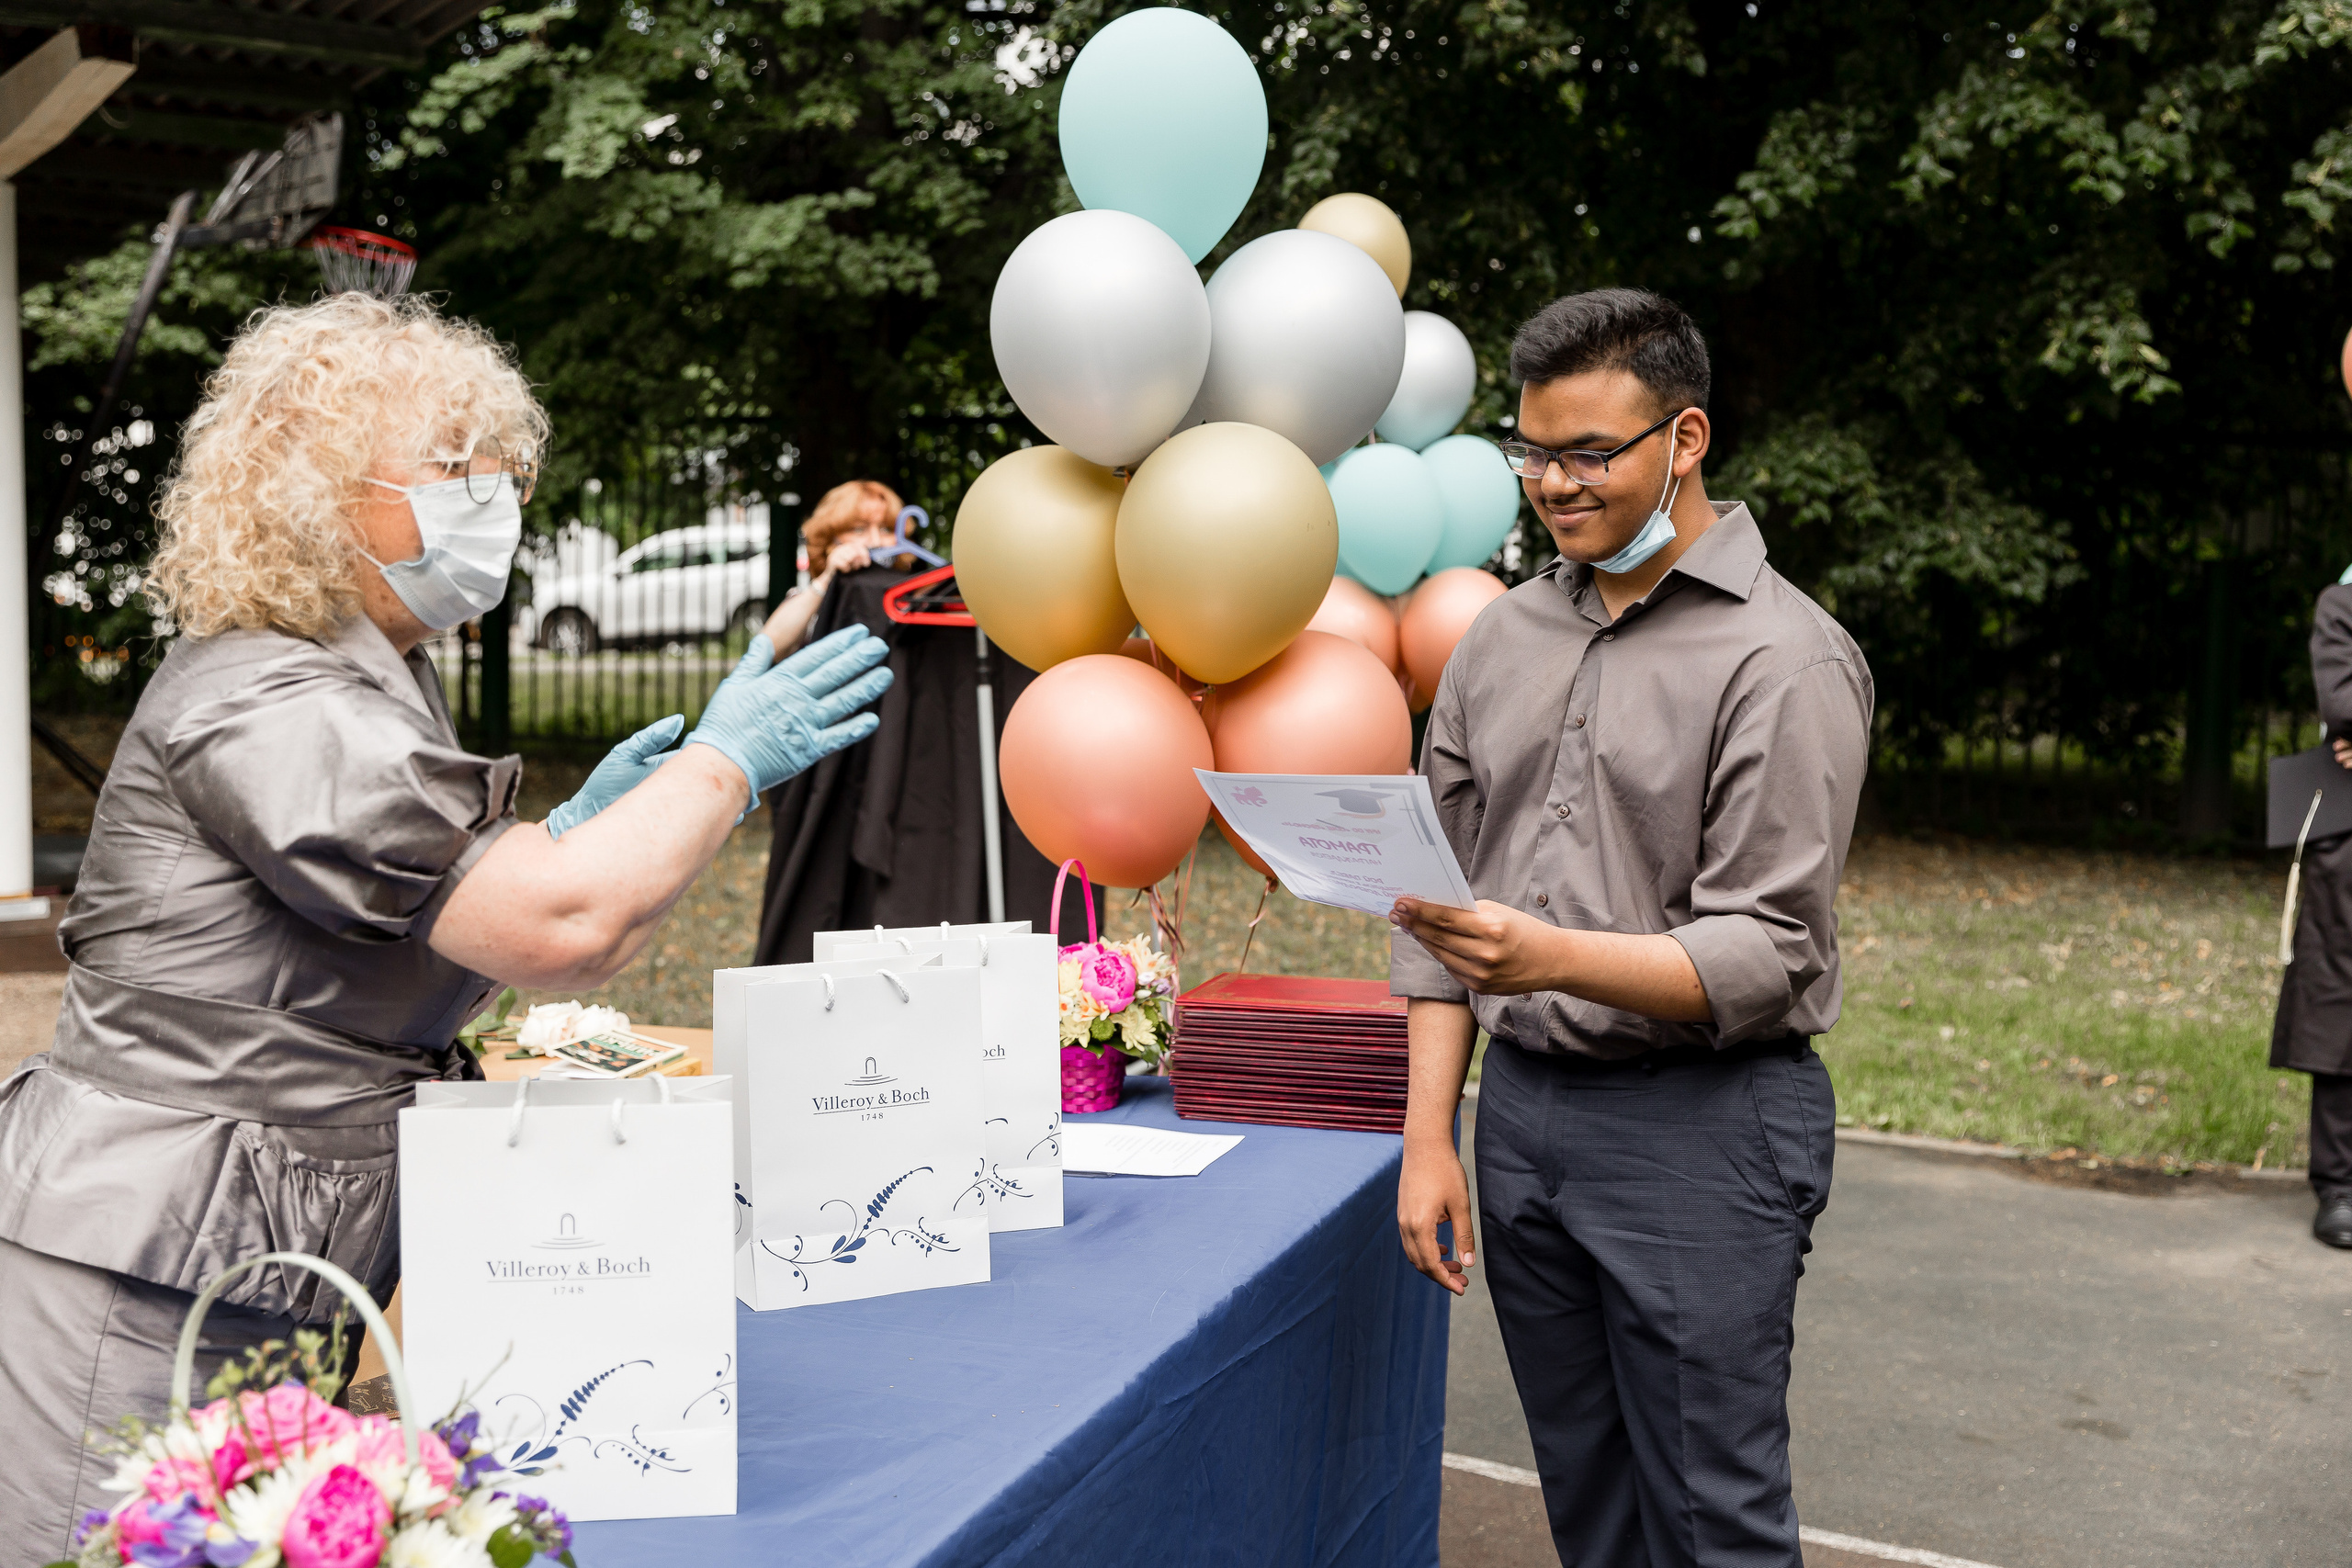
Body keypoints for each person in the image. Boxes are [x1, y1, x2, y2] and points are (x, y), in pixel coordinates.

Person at [0, 294, 892, 1566]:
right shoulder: (266, 690)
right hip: (141, 1274)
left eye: (498, 468)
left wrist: (580, 821)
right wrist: (725, 768)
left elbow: (393, 944)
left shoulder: (368, 674)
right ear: (318, 491)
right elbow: (564, 924)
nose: (492, 498)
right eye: (452, 466)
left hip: (250, 1253)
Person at [1386, 288, 1871, 1568]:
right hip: (1524, 1125)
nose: (1553, 482)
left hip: (1704, 1128)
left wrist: (1541, 953)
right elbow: (1439, 900)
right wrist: (1430, 1131)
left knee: (1714, 1518)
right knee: (1588, 1505)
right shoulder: (1499, 637)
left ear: (1687, 437)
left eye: (1591, 452)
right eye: (1532, 451)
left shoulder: (1788, 657)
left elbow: (1770, 950)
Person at [2271, 581, 2352, 1249]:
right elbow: (2341, 702)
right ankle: (2340, 1184)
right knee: (2338, 1000)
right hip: (2349, 835)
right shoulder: (2342, 605)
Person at [762, 478, 908, 652]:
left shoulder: (917, 596)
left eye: (886, 530)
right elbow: (767, 650)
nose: (875, 541)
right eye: (859, 529)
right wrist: (826, 580)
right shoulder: (811, 598)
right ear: (830, 539)